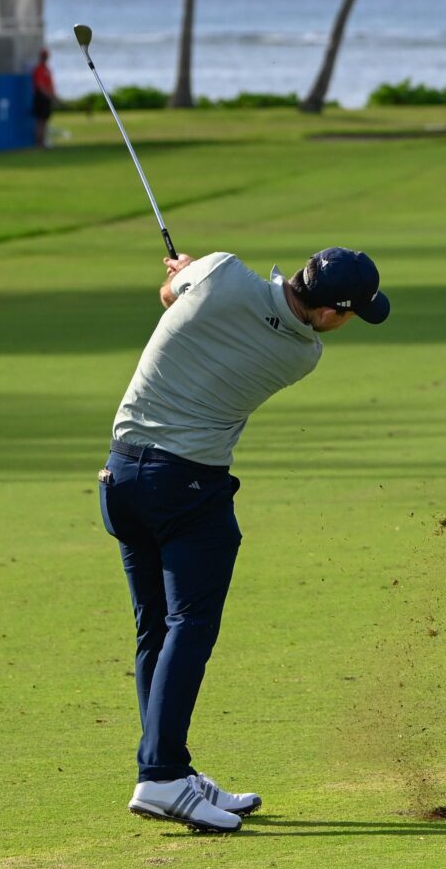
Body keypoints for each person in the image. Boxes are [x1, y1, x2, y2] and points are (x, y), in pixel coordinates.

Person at [99, 246, 391, 831]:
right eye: (354, 313)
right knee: (190, 625)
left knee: (155, 628)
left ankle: (170, 769)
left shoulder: (221, 271)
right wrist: (189, 282)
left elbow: (169, 297)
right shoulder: (301, 353)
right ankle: (159, 775)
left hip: (121, 477)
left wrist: (186, 275)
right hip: (186, 487)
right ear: (331, 312)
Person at [31, 49, 57, 147]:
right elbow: (40, 85)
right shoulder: (39, 69)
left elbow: (49, 84)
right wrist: (48, 95)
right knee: (40, 121)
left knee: (45, 120)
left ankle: (43, 141)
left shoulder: (47, 69)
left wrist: (52, 95)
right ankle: (39, 142)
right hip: (41, 97)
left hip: (46, 98)